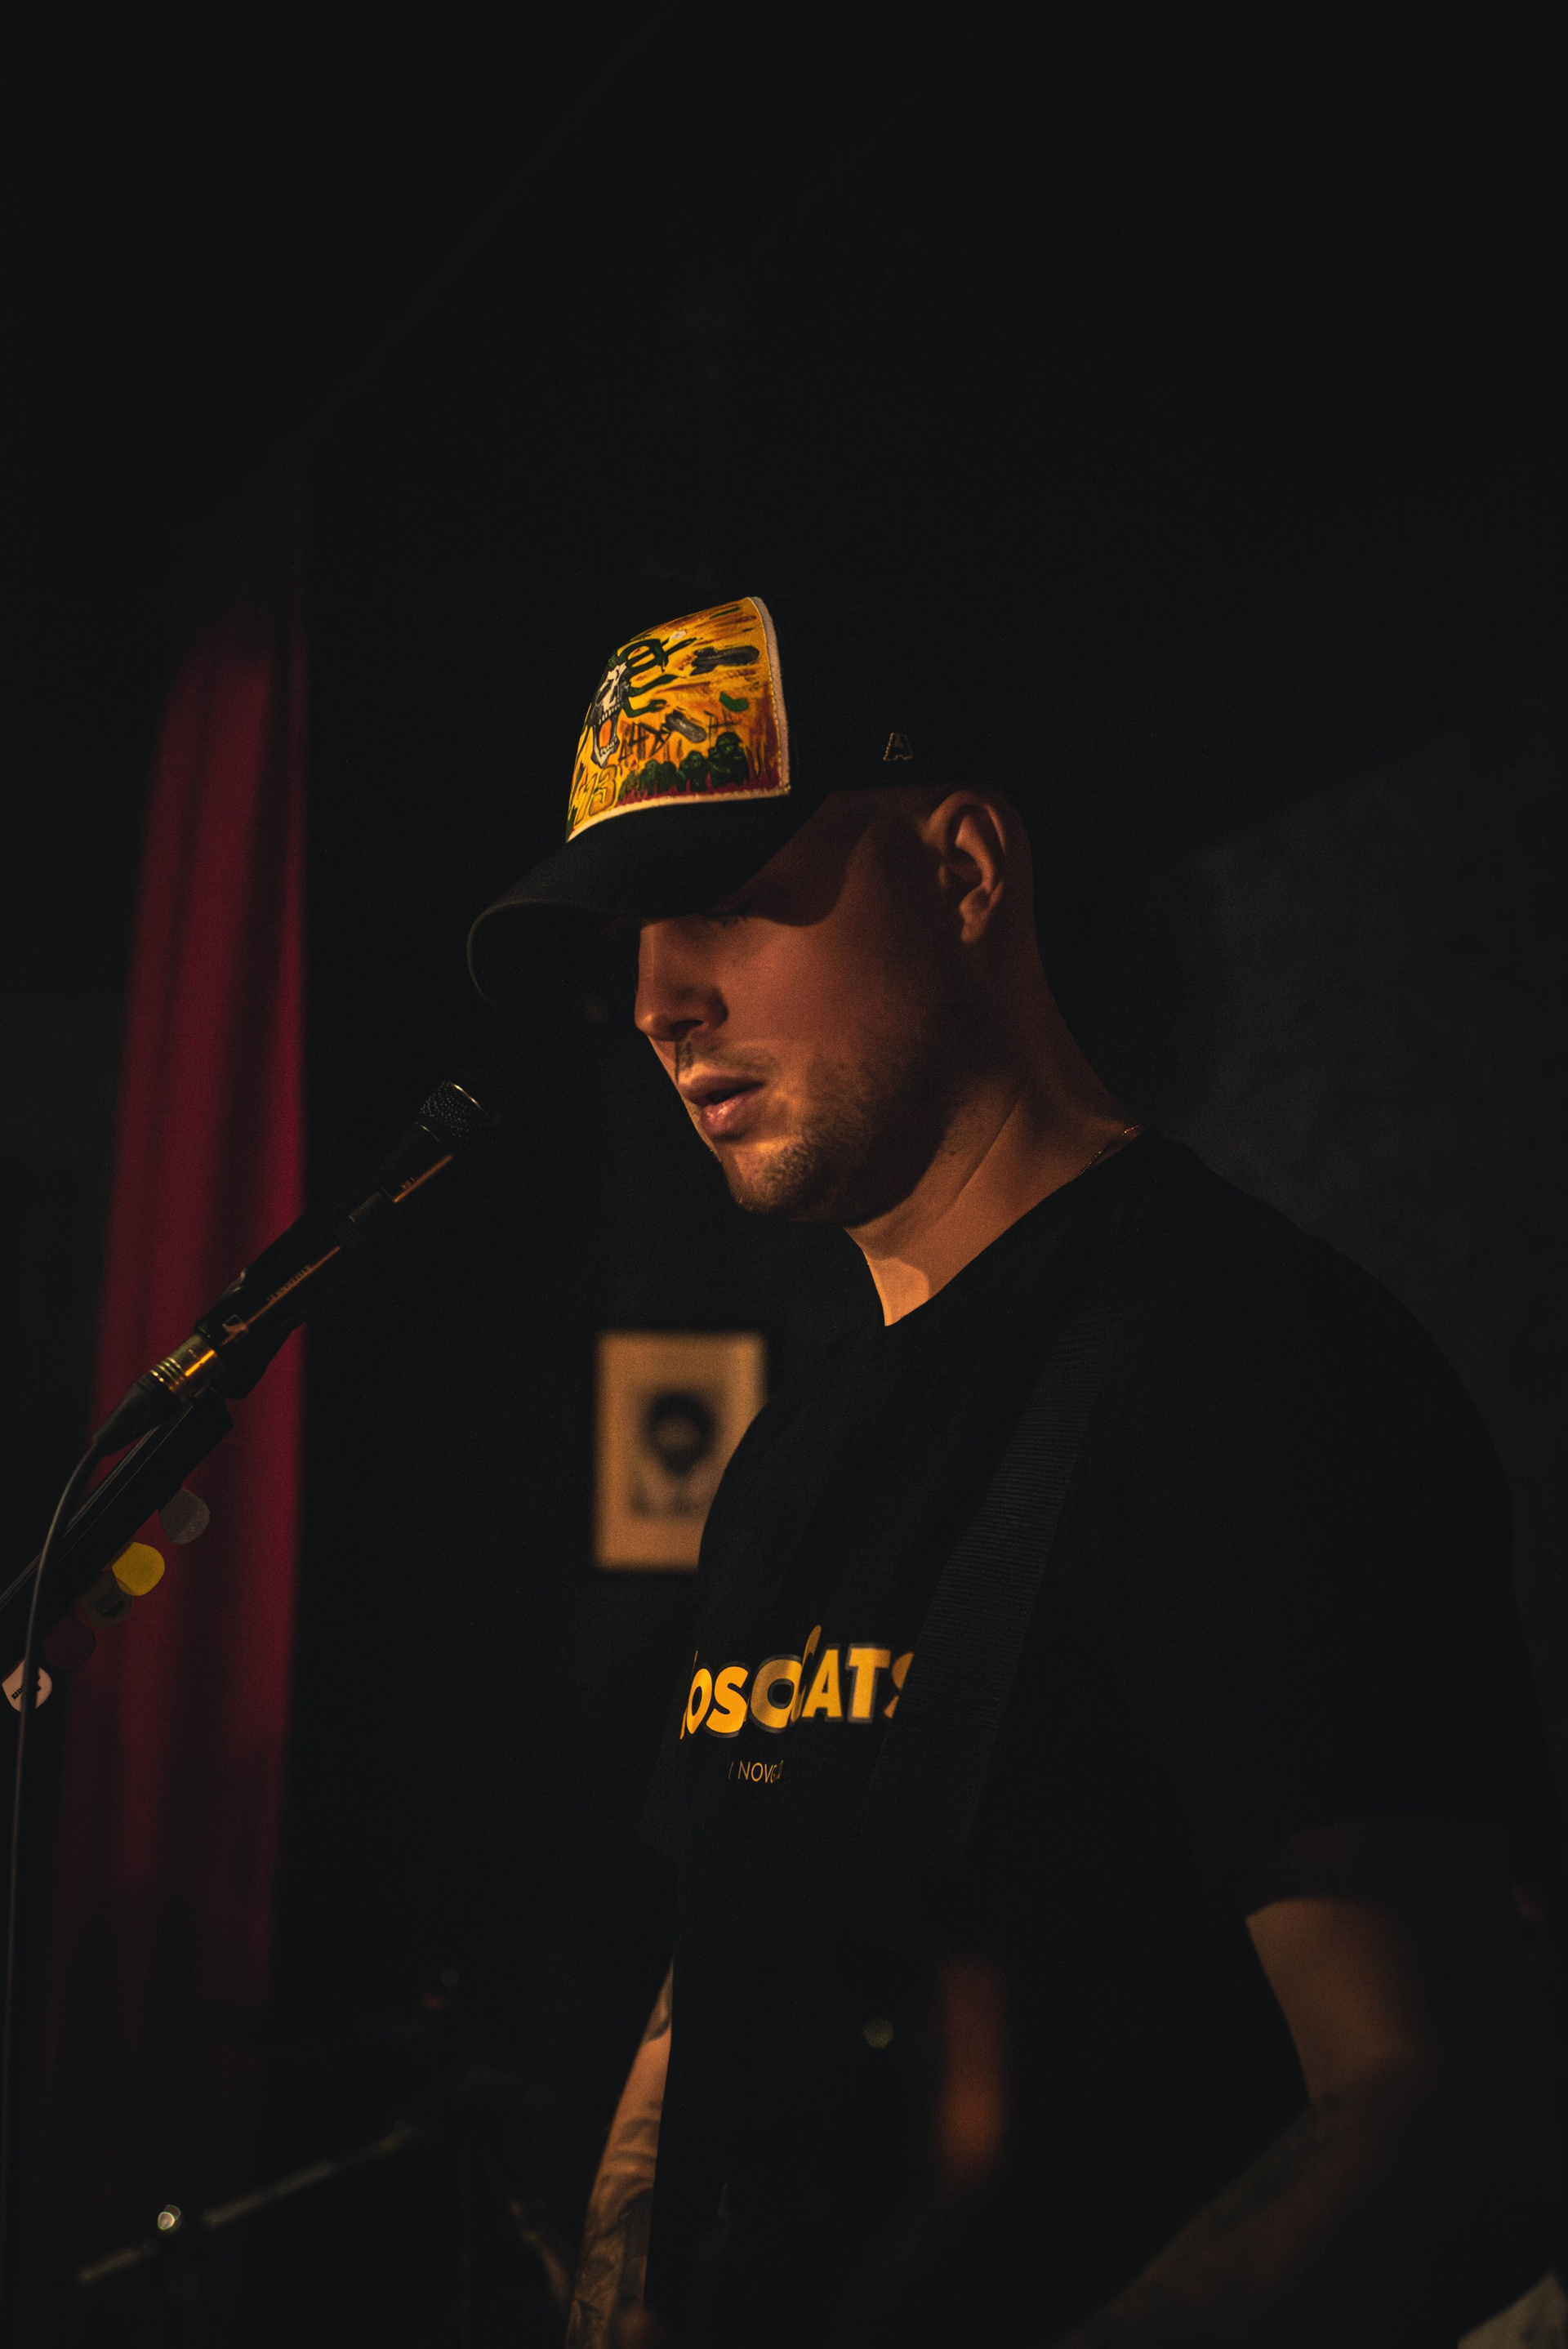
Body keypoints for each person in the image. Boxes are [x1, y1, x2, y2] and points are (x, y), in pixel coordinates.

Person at [469, 592, 1565, 2347]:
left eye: (726, 898)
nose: (661, 999)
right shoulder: (787, 1462)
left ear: (965, 870)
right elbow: (711, 1991)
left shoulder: (1234, 1361)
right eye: (633, 939)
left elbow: (1426, 2096)